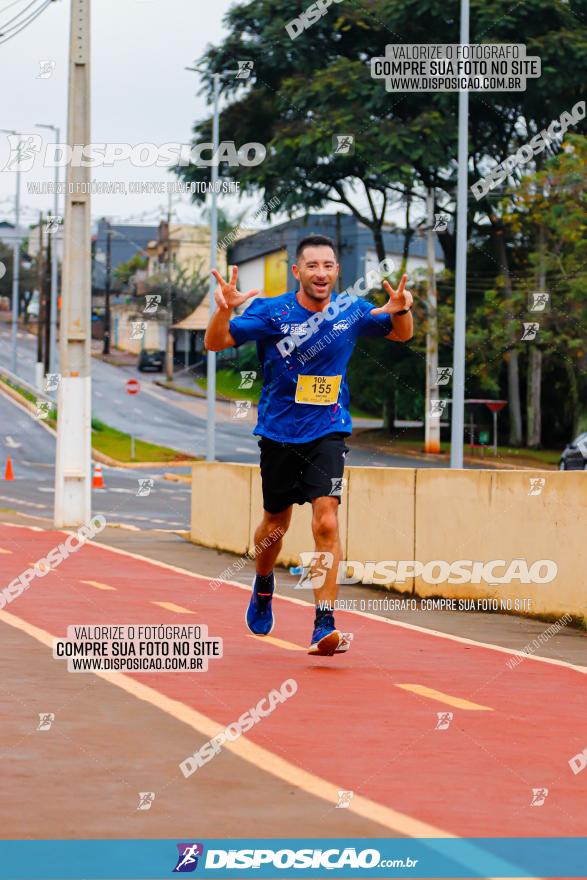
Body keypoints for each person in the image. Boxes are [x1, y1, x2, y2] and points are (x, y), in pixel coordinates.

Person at [205, 234, 413, 655]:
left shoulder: (351, 310)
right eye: (313, 266)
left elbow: (401, 334)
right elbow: (216, 342)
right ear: (297, 271)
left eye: (329, 266)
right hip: (279, 432)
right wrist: (224, 309)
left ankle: (324, 622)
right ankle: (264, 584)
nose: (322, 273)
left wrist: (403, 308)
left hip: (328, 429)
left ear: (338, 271)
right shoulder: (272, 312)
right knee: (275, 525)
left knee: (326, 521)